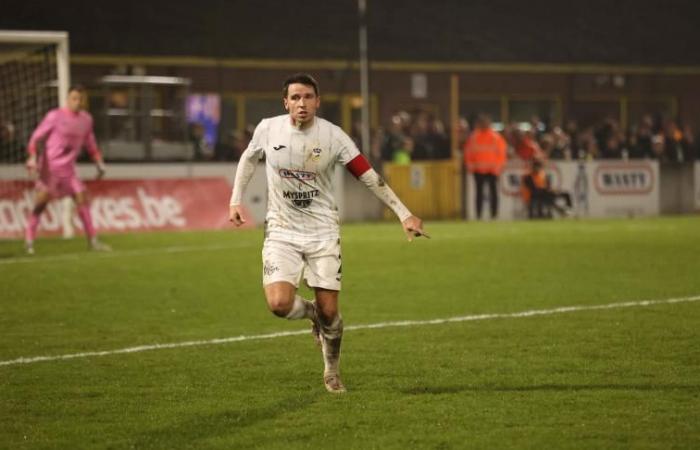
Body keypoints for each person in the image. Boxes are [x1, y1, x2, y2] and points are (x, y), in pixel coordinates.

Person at [228, 73, 428, 394]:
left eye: (308, 97)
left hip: (322, 231)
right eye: (295, 98)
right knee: (279, 304)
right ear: (286, 103)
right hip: (281, 229)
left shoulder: (333, 137)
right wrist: (236, 199)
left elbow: (367, 175)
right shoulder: (268, 128)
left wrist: (404, 214)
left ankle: (331, 371)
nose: (301, 103)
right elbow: (248, 158)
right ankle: (310, 315)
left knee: (331, 313)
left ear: (318, 102)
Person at [24, 85, 111, 254]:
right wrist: (32, 156)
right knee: (40, 204)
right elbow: (35, 138)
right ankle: (29, 241)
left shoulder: (86, 120)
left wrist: (99, 163)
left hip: (69, 170)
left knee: (81, 198)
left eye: (80, 99)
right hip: (50, 169)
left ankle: (93, 241)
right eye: (74, 98)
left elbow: (91, 144)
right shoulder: (55, 116)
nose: (77, 102)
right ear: (68, 99)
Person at [463, 114, 507, 220]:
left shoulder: (495, 137)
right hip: (478, 170)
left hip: (492, 170)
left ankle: (494, 214)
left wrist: (498, 167)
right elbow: (468, 153)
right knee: (479, 193)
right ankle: (479, 215)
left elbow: (501, 154)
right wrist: (470, 166)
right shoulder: (474, 137)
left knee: (493, 193)